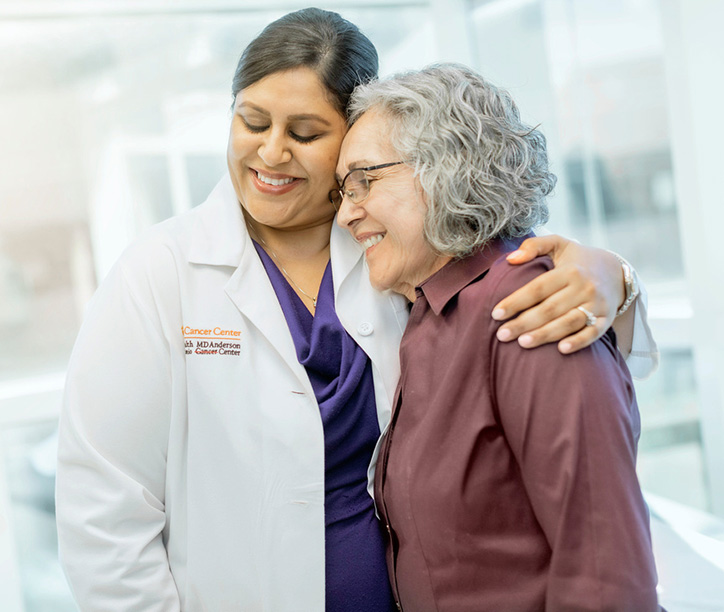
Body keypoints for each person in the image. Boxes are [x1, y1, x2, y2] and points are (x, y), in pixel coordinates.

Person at [55, 8, 657, 612]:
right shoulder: (159, 273)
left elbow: (537, 308)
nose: (271, 151)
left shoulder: (401, 250)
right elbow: (104, 506)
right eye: (252, 121)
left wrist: (617, 278)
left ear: (353, 137)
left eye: (306, 134)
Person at [335, 63, 660, 611]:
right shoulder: (430, 316)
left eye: (364, 181)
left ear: (447, 167)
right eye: (342, 192)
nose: (346, 212)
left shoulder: (528, 310)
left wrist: (619, 277)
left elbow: (606, 579)